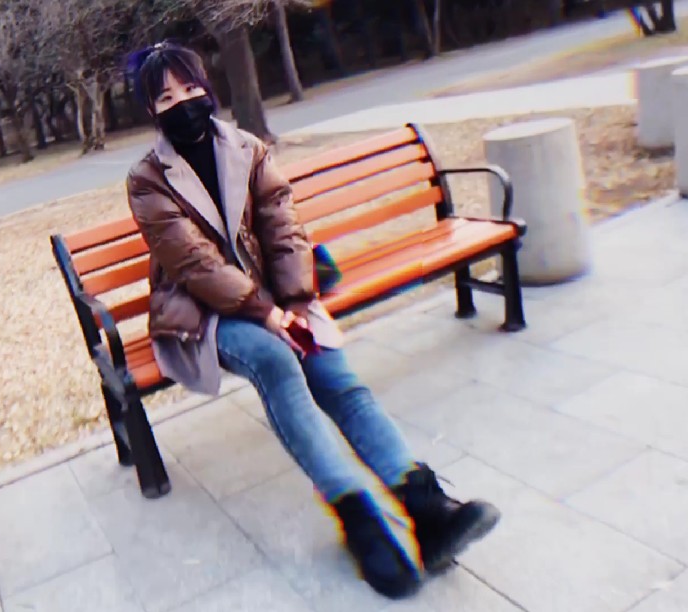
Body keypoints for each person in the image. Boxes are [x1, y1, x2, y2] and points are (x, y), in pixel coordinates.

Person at [124, 41, 500, 599]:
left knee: (334, 376)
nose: (183, 102)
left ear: (208, 87)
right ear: (151, 110)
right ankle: (360, 521)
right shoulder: (147, 178)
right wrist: (267, 314)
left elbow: (283, 227)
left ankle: (426, 506)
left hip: (277, 298)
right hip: (205, 312)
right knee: (275, 360)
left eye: (191, 87)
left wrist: (297, 303)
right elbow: (193, 264)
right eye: (166, 97)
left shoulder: (247, 148)